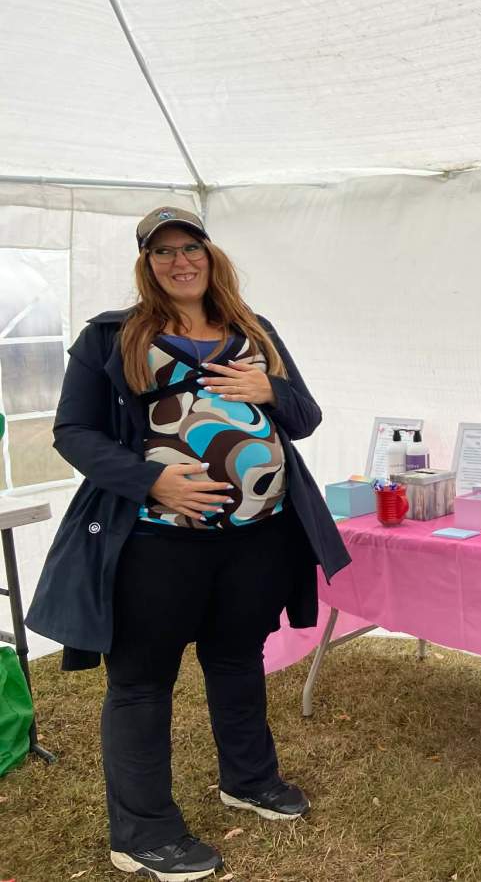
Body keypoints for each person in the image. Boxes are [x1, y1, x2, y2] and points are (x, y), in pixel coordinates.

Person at [26, 207, 350, 881]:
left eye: (190, 247)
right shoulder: (112, 336)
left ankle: (249, 780)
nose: (180, 261)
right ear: (147, 264)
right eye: (164, 251)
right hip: (156, 540)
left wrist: (271, 388)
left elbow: (306, 417)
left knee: (236, 657)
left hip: (256, 537)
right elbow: (73, 431)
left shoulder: (254, 330)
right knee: (143, 680)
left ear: (210, 254)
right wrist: (151, 481)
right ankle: (142, 832)